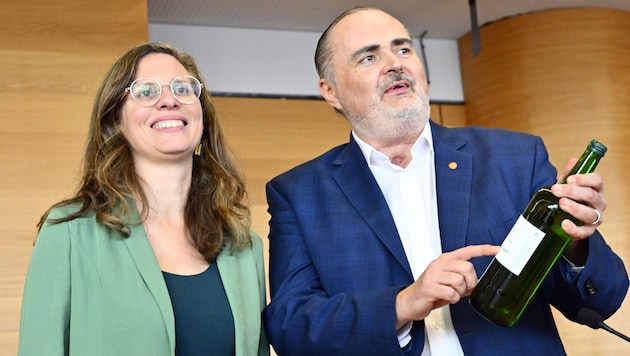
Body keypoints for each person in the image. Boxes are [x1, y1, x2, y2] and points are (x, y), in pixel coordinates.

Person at [262, 6, 628, 355]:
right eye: (369, 57)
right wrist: (403, 304)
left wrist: (574, 242)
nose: (395, 65)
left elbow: (602, 298)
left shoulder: (514, 158)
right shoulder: (299, 194)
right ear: (331, 91)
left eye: (403, 49)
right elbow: (291, 327)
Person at [18, 42, 269, 356]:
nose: (169, 101)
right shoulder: (67, 233)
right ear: (116, 121)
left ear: (202, 117)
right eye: (146, 92)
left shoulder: (244, 246)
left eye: (183, 89)